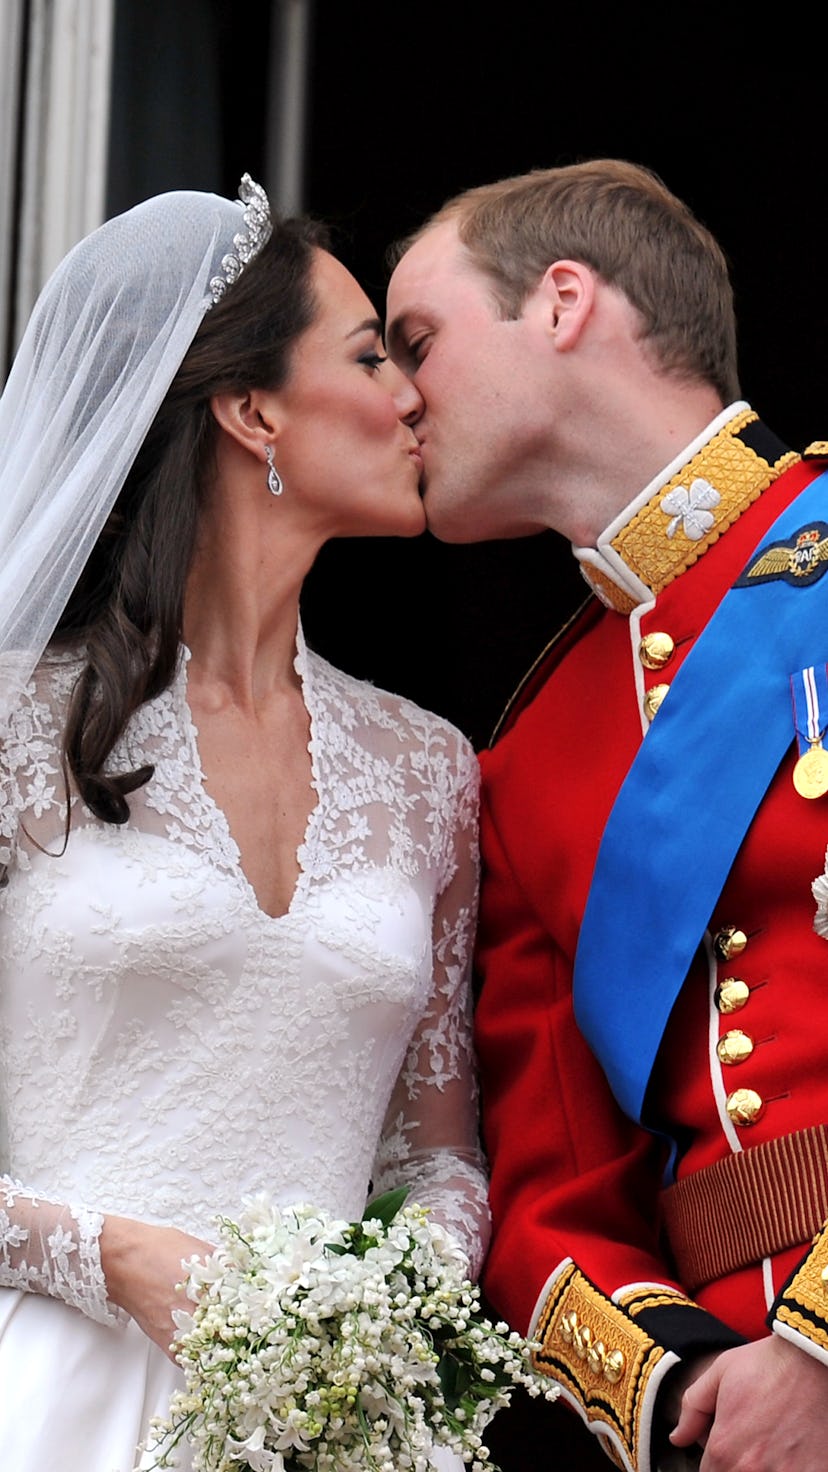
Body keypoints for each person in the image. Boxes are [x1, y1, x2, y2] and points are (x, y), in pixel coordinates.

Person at [0, 176, 489, 1471]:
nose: (413, 397)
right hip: (51, 1402)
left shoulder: (429, 771)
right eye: (372, 356)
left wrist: (381, 1305)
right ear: (252, 409)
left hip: (335, 1430)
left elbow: (436, 1157)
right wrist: (110, 1255)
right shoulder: (12, 729)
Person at [385, 158, 828, 1472]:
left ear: (564, 301)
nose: (394, 397)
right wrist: (691, 1393)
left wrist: (814, 1346)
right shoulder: (527, 758)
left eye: (417, 341)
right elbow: (547, 1196)